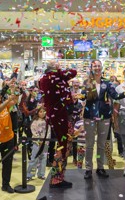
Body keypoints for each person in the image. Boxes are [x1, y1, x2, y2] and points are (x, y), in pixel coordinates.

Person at [82, 60, 125, 180]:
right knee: (89, 144)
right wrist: (77, 96)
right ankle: (88, 168)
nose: (97, 68)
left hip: (105, 116)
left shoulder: (107, 83)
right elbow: (83, 95)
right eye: (95, 66)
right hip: (89, 116)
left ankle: (100, 167)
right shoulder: (87, 82)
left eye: (99, 66)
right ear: (91, 68)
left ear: (101, 68)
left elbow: (115, 96)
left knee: (102, 144)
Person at [39, 60, 77, 188]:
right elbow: (73, 72)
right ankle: (56, 179)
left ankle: (59, 176)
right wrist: (60, 71)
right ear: (54, 68)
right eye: (57, 65)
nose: (60, 66)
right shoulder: (51, 78)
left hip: (61, 115)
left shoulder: (48, 78)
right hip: (60, 116)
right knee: (63, 146)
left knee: (64, 145)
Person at [27, 107, 49, 181]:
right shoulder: (35, 121)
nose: (42, 113)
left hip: (45, 143)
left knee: (43, 159)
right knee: (34, 159)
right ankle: (29, 174)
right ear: (37, 113)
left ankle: (41, 174)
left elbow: (48, 132)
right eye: (40, 111)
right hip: (36, 143)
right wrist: (39, 140)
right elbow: (33, 131)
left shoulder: (47, 122)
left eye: (44, 111)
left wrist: (45, 141)